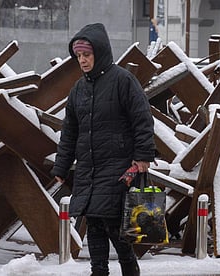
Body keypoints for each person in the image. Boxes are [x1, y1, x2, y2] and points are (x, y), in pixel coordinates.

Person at [51, 23, 156, 276]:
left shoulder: (123, 80)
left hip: (119, 165)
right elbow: (70, 132)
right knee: (95, 221)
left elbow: (142, 119)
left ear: (100, 52)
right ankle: (99, 271)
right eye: (79, 56)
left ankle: (129, 266)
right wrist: (61, 166)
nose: (83, 61)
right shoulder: (78, 89)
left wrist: (142, 157)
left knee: (111, 221)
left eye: (87, 55)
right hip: (90, 167)